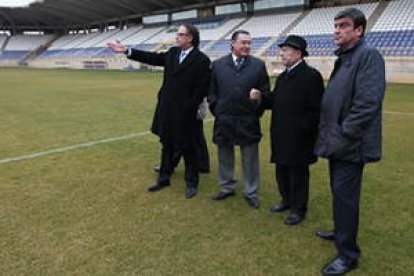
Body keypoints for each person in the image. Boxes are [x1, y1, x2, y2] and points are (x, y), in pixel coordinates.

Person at [313, 8, 386, 275]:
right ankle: (340, 231)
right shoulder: (345, 58)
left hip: (349, 144)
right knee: (339, 194)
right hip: (337, 142)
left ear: (359, 30)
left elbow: (367, 103)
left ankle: (348, 255)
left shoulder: (368, 56)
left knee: (346, 198)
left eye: (343, 25)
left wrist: (344, 133)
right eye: (335, 26)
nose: (336, 30)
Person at [107, 24, 211, 199]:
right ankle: (164, 178)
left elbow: (201, 89)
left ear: (190, 38)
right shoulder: (172, 53)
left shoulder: (201, 60)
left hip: (186, 113)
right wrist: (126, 50)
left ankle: (191, 183)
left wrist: (188, 107)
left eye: (180, 34)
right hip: (167, 108)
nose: (177, 37)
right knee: (166, 145)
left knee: (188, 148)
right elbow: (152, 58)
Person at [255, 35, 324, 225]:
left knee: (298, 175)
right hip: (281, 134)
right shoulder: (284, 76)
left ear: (298, 53)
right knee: (282, 170)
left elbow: (317, 110)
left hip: (300, 137)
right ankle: (286, 200)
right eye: (281, 50)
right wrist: (261, 96)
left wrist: (304, 129)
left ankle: (298, 209)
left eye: (285, 50)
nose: (281, 54)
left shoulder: (311, 76)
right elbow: (274, 101)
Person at [208, 30, 270, 208]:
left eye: (249, 43)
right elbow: (211, 91)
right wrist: (217, 108)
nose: (247, 46)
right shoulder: (218, 65)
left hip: (248, 119)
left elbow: (266, 92)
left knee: (250, 157)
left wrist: (258, 97)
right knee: (224, 154)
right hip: (224, 118)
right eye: (243, 42)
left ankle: (251, 191)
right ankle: (226, 186)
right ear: (232, 44)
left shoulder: (258, 65)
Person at [153, 98, 210, 174]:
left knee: (194, 136)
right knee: (191, 137)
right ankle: (169, 164)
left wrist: (201, 111)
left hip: (191, 108)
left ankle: (169, 165)